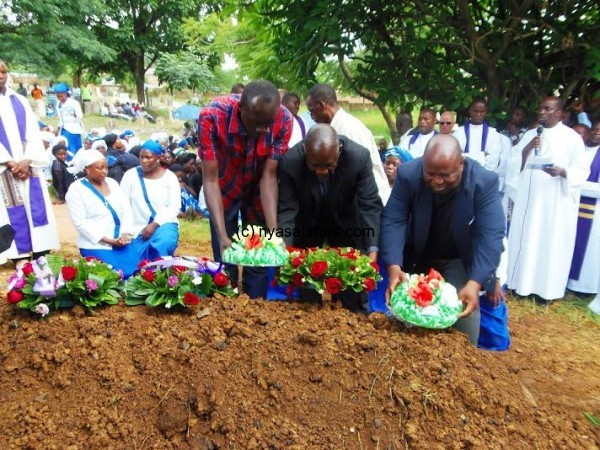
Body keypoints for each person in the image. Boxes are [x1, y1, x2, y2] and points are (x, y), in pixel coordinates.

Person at [381, 134, 505, 345]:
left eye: (445, 175)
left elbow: (490, 234)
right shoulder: (409, 174)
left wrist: (474, 284)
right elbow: (394, 219)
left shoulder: (483, 182)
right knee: (406, 317)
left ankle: (464, 366)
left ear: (461, 165)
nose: (437, 181)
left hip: (459, 257)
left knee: (463, 316)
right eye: (430, 174)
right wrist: (394, 266)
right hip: (417, 255)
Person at [199, 79, 293, 299]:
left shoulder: (284, 119)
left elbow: (269, 176)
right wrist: (222, 235)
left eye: (267, 123)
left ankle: (255, 306)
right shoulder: (211, 116)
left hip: (259, 194)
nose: (263, 129)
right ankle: (227, 308)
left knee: (259, 260)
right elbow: (210, 179)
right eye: (256, 122)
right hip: (224, 190)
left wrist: (273, 235)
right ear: (241, 109)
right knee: (226, 259)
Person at [278, 124, 383, 312]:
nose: (322, 171)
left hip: (347, 224)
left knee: (352, 290)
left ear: (339, 152)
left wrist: (372, 248)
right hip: (307, 225)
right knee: (307, 293)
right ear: (305, 152)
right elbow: (287, 209)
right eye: (314, 165)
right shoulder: (291, 162)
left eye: (329, 165)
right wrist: (285, 249)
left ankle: (354, 319)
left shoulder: (358, 157)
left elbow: (369, 204)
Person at [506, 97, 589, 301]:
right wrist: (526, 150)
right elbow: (514, 163)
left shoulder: (571, 138)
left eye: (547, 109)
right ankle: (519, 285)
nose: (541, 112)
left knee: (549, 244)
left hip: (554, 203)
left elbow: (581, 170)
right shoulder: (532, 134)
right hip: (529, 201)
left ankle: (546, 292)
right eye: (541, 108)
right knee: (527, 240)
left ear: (559, 113)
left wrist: (562, 172)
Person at [0, 60, 60, 266]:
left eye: (4, 71)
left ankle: (40, 250)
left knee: (36, 207)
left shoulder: (20, 100)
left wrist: (26, 160)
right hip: (4, 168)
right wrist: (9, 162)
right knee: (11, 207)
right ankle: (20, 255)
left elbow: (33, 133)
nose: (1, 75)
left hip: (28, 164)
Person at [305, 84, 390, 203]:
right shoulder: (334, 128)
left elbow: (358, 175)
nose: (311, 117)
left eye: (311, 111)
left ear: (322, 105)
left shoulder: (349, 130)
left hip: (369, 204)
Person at [65, 150, 138, 277]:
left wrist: (126, 233)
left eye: (106, 167)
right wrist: (109, 240)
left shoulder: (113, 183)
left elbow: (126, 210)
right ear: (87, 169)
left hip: (121, 242)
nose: (104, 171)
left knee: (136, 272)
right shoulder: (76, 189)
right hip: (97, 244)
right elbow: (80, 223)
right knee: (116, 275)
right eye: (99, 168)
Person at [120, 139, 180, 261]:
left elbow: (174, 207)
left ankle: (160, 274)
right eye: (141, 157)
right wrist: (126, 230)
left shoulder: (170, 178)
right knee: (131, 260)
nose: (143, 161)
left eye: (148, 157)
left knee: (163, 242)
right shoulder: (130, 175)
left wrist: (154, 224)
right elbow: (122, 204)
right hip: (136, 228)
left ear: (158, 158)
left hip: (163, 224)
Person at [567, 120, 600, 294]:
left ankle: (582, 287)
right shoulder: (577, 151)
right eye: (594, 129)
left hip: (592, 213)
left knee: (588, 250)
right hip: (570, 206)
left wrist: (575, 183)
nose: (596, 133)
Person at [453, 97, 502, 170]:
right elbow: (455, 157)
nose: (478, 114)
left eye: (482, 111)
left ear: (486, 113)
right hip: (462, 175)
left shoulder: (493, 135)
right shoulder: (459, 133)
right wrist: (482, 156)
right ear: (470, 111)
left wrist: (465, 156)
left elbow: (493, 161)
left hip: (484, 177)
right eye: (475, 111)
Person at [55, 82, 84, 161]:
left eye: (61, 94)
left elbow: (80, 115)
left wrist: (74, 117)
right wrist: (57, 129)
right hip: (63, 129)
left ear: (65, 93)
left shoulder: (73, 103)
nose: (59, 96)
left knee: (74, 149)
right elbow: (60, 118)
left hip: (73, 129)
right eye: (57, 94)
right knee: (64, 148)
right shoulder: (58, 104)